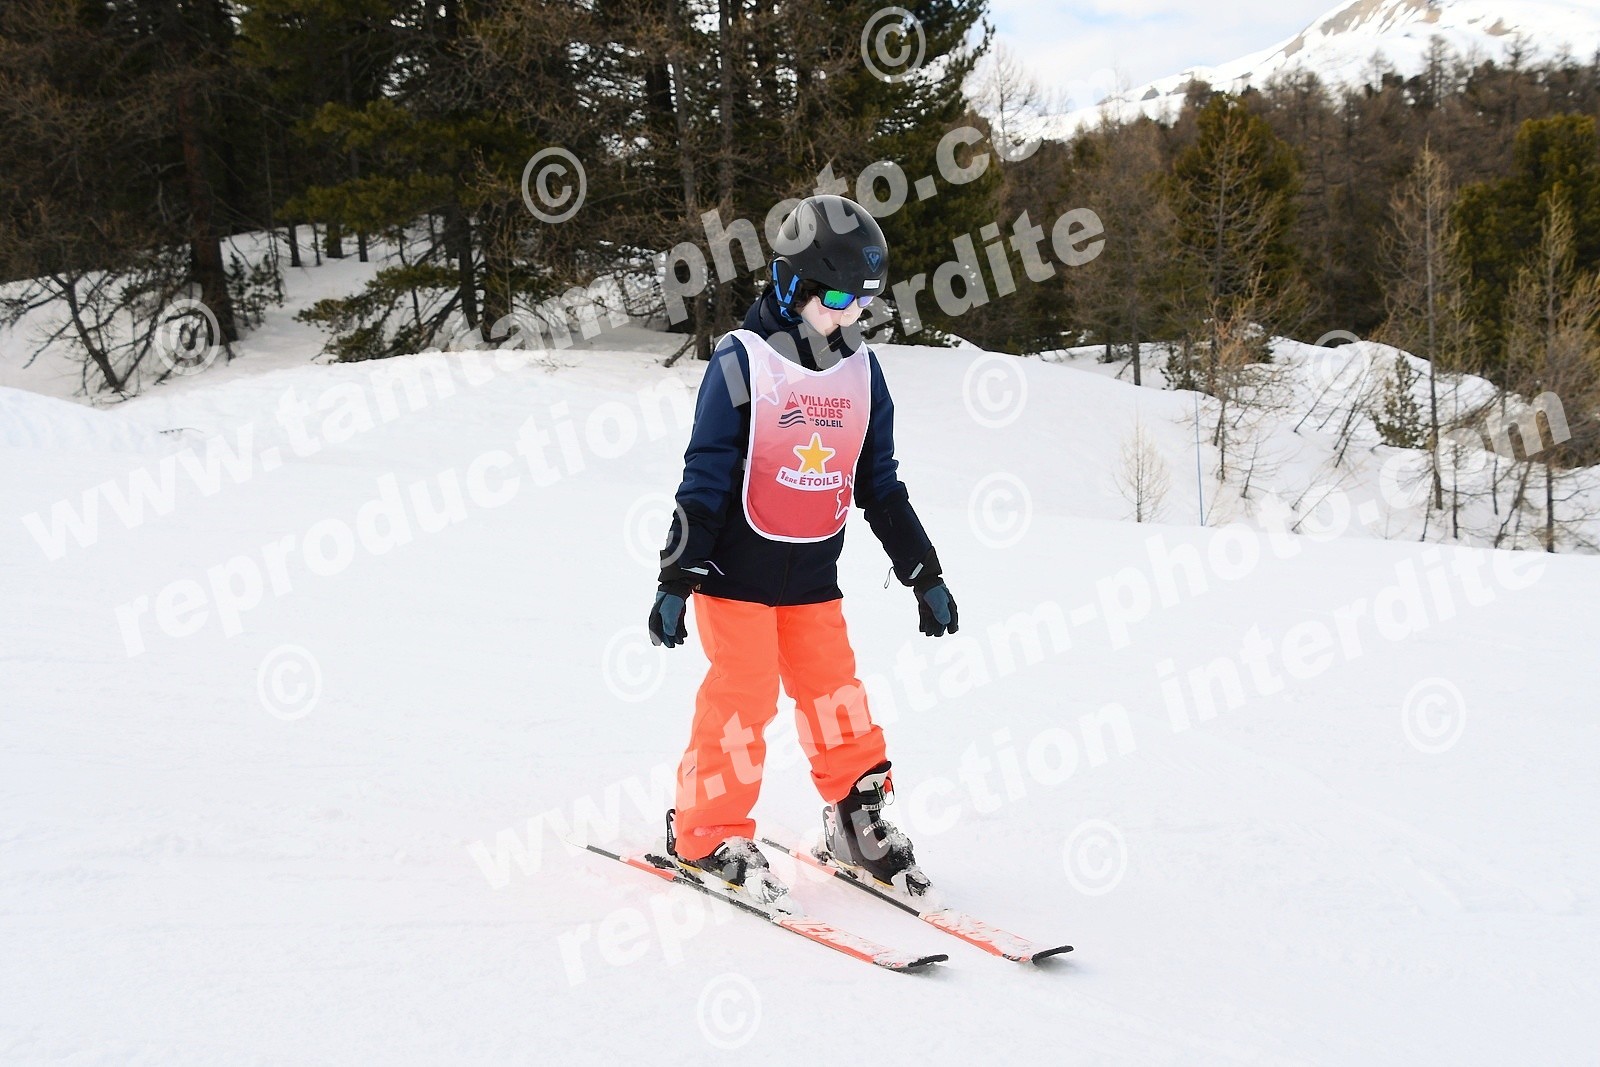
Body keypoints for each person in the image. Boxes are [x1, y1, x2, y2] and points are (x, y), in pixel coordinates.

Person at [647, 194, 958, 911]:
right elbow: (706, 474)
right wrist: (675, 577)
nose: (849, 317)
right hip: (734, 573)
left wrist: (924, 572)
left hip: (814, 575)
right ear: (791, 285)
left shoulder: (862, 372)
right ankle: (705, 832)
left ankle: (855, 820)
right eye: (837, 299)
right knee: (743, 698)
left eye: (864, 303)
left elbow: (880, 483)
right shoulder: (743, 360)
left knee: (836, 696)